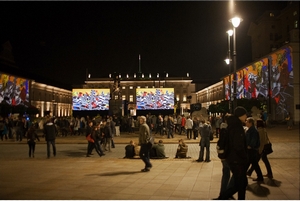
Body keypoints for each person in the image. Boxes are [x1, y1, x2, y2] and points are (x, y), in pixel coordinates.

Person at [218, 106, 248, 200]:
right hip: (237, 160)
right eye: (245, 115)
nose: (246, 116)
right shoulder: (237, 127)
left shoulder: (232, 124)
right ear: (240, 115)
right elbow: (238, 146)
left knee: (241, 183)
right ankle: (222, 197)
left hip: (233, 158)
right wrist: (245, 157)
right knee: (241, 183)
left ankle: (223, 197)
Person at [245, 117, 263, 182]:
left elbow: (254, 140)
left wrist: (249, 146)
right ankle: (259, 177)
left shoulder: (253, 130)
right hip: (250, 150)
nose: (245, 122)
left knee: (252, 163)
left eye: (247, 121)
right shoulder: (250, 129)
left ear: (250, 123)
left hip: (251, 150)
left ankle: (260, 177)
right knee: (253, 163)